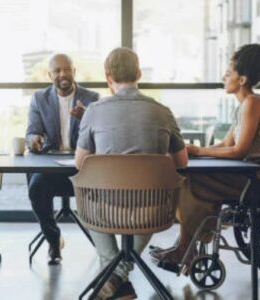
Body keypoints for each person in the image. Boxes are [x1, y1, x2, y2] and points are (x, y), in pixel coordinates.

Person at [152, 43, 260, 273]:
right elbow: (225, 145)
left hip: (259, 179)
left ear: (241, 80)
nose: (224, 76)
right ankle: (187, 247)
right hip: (249, 174)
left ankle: (186, 248)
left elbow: (239, 151)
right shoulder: (245, 105)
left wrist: (199, 152)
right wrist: (195, 150)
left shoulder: (252, 104)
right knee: (190, 177)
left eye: (229, 73)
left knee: (188, 181)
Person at [74, 47, 188, 300]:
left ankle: (114, 275)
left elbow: (80, 162)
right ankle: (119, 280)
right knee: (149, 192)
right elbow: (181, 161)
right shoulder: (163, 111)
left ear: (107, 77)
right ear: (138, 73)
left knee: (87, 191)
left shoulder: (94, 111)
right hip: (153, 209)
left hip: (104, 210)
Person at [25, 53, 99, 264]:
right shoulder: (40, 98)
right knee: (35, 187)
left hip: (82, 166)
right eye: (57, 71)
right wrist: (34, 139)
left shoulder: (91, 98)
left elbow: (101, 134)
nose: (63, 74)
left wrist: (87, 117)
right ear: (50, 75)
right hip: (51, 165)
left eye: (67, 69)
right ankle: (54, 239)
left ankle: (104, 243)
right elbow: (31, 132)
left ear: (74, 72)